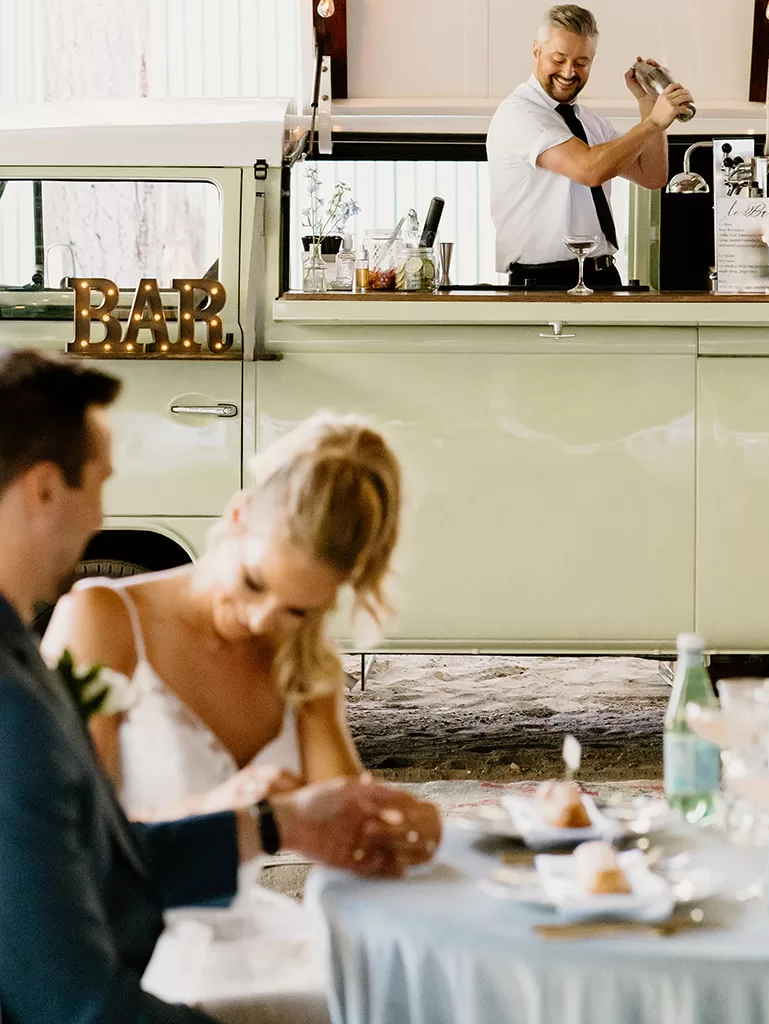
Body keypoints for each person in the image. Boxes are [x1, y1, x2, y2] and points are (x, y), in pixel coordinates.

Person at [0, 348, 439, 1024]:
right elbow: (75, 997)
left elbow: (99, 868)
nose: (100, 520)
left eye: (297, 608)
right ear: (45, 491)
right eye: (101, 485)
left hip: (222, 929)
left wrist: (283, 822)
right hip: (147, 960)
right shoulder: (37, 683)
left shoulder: (17, 655)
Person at [44, 412, 401, 823]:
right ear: (237, 516)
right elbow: (63, 836)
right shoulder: (102, 619)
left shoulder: (306, 662)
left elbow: (347, 826)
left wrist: (393, 826)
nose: (261, 621)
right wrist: (224, 819)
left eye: (298, 610)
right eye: (253, 582)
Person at [486, 3, 694, 288]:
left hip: (603, 276)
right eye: (558, 59)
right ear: (537, 51)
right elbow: (589, 169)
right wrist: (654, 123)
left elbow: (652, 175)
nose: (569, 71)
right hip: (542, 283)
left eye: (581, 62)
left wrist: (647, 102)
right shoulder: (519, 114)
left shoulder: (591, 122)